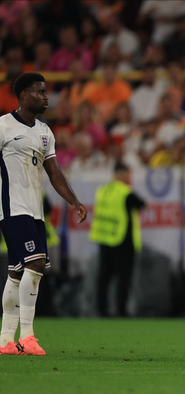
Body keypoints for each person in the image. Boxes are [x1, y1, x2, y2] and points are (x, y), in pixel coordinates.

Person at [0, 73, 87, 355]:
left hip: (34, 211)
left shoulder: (45, 132)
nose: (46, 97)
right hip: (12, 208)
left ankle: (5, 341)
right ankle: (27, 335)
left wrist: (73, 200)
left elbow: (54, 172)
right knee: (35, 264)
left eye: (46, 92)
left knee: (16, 273)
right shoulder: (2, 126)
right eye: (40, 92)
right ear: (24, 95)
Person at [89, 163, 145, 317]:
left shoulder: (102, 190)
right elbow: (142, 204)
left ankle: (101, 309)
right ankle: (121, 310)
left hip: (104, 237)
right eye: (128, 175)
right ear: (122, 174)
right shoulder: (124, 191)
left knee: (104, 276)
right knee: (123, 278)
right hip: (122, 240)